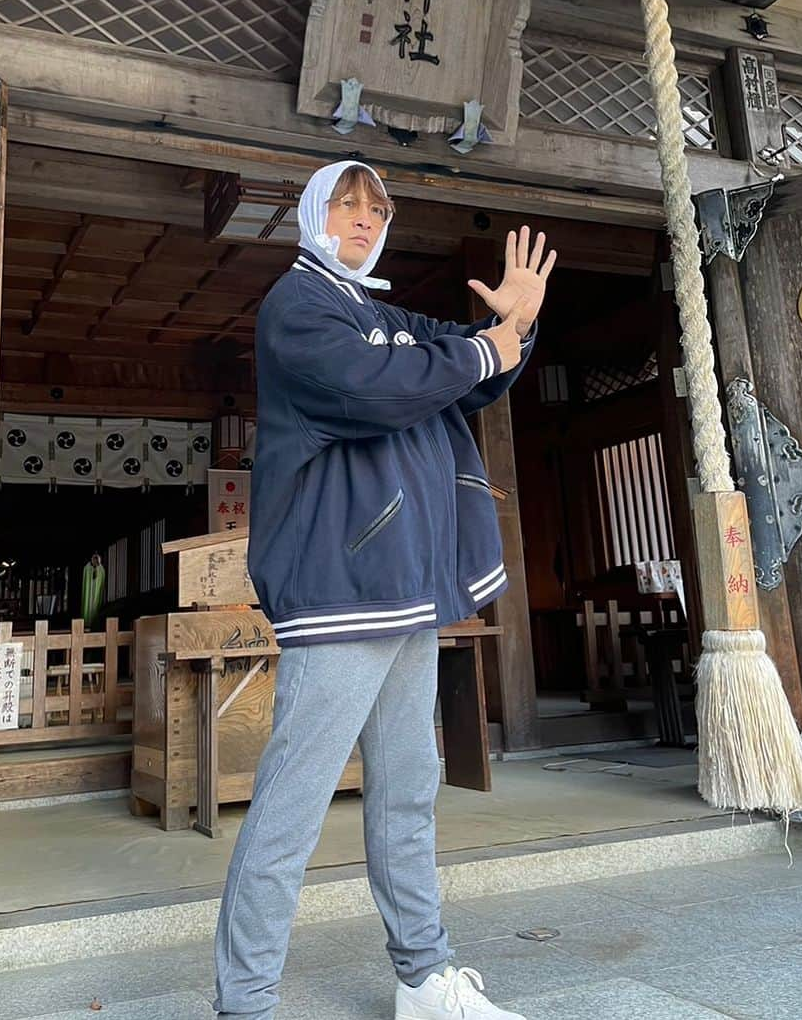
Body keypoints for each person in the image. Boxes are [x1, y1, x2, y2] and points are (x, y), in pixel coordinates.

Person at [213, 160, 556, 1020]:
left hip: (401, 584)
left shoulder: (378, 311)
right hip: (340, 587)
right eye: (345, 204)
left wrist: (511, 323)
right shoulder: (300, 306)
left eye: (377, 209)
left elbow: (463, 370)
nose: (363, 221)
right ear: (309, 213)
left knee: (408, 784)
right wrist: (485, 340)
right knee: (294, 802)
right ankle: (246, 1003)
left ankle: (423, 978)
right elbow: (381, 387)